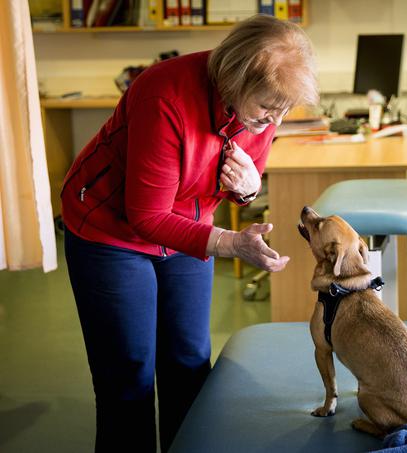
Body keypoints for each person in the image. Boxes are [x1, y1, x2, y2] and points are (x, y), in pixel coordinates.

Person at [61, 15, 318, 452]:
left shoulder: (268, 101)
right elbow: (146, 216)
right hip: (110, 232)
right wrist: (231, 242)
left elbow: (237, 173)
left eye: (284, 109)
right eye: (267, 108)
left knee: (190, 364)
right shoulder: (164, 93)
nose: (275, 118)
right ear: (233, 81)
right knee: (129, 375)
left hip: (188, 227)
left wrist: (251, 188)